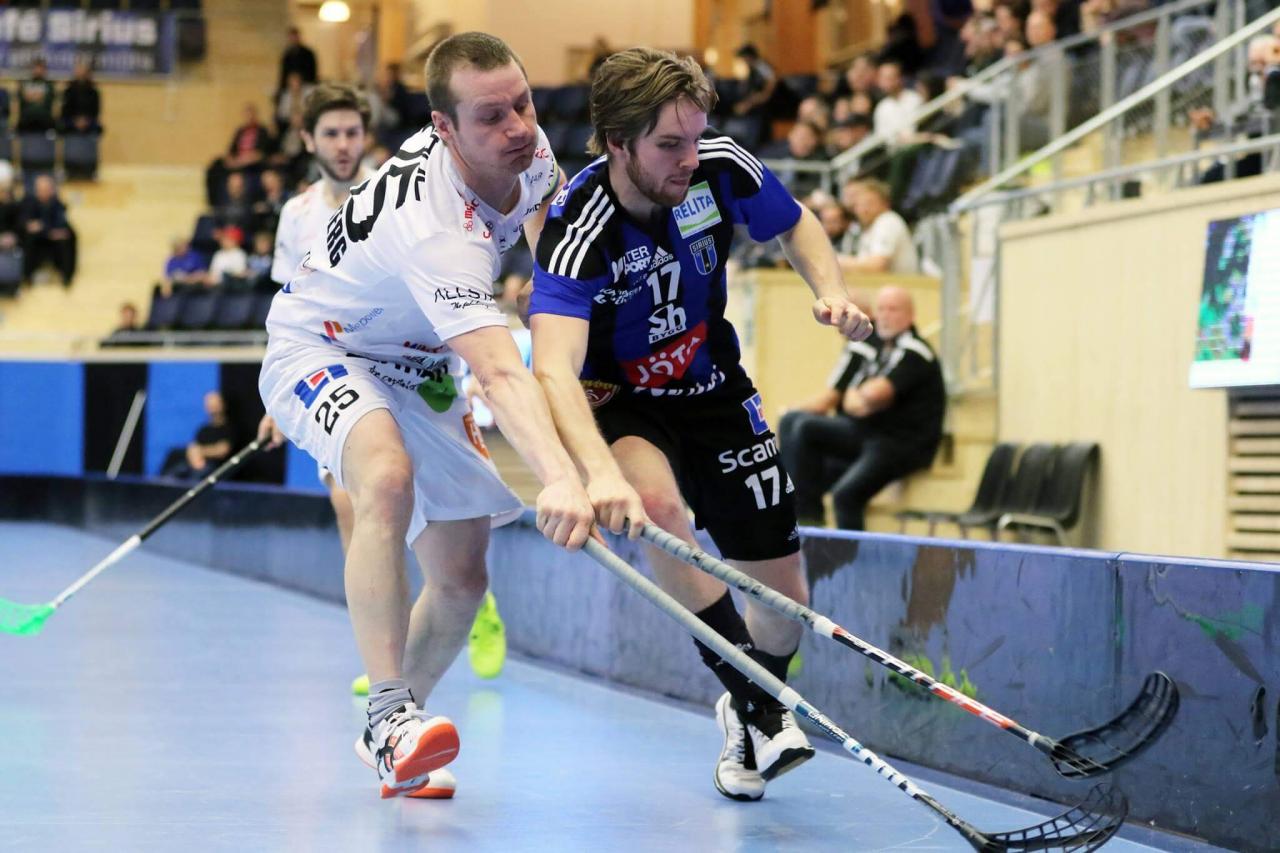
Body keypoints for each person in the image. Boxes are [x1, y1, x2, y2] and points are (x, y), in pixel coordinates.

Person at [256, 32, 604, 801]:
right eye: (492, 117)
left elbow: (551, 239)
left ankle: (397, 738)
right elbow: (500, 372)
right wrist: (562, 477)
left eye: (523, 104)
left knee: (462, 576)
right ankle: (387, 714)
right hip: (322, 345)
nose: (518, 126)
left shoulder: (530, 151)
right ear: (444, 128)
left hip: (420, 364)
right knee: (385, 477)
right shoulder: (438, 228)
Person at [527, 47, 872, 803]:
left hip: (714, 388)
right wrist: (599, 474)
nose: (689, 156)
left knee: (785, 604)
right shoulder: (579, 224)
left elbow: (797, 223)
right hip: (618, 396)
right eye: (668, 144)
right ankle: (761, 707)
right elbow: (552, 366)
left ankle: (747, 710)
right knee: (657, 508)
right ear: (617, 143)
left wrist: (832, 291)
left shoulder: (718, 167)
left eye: (694, 137)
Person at [269, 81, 516, 707]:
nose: (343, 144)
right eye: (330, 134)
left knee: (458, 550)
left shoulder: (401, 188)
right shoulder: (297, 214)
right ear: (308, 141)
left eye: (352, 132)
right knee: (362, 496)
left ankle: (466, 604)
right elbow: (290, 301)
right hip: (337, 361)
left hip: (423, 371)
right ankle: (387, 663)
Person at [779, 285, 945, 530]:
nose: (885, 316)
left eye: (893, 309)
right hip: (872, 435)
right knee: (801, 430)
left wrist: (867, 397)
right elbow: (850, 400)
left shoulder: (914, 351)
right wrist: (865, 398)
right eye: (881, 309)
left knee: (845, 495)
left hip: (902, 444)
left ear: (911, 316)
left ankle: (836, 543)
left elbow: (873, 394)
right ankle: (802, 518)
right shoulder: (885, 349)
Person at [839, 178, 918, 275]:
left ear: (885, 204)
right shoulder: (870, 226)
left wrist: (836, 260)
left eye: (869, 203)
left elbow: (877, 266)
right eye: (860, 204)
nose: (864, 209)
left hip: (900, 283)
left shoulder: (888, 221)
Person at [162, 391, 234, 479]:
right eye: (209, 404)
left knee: (198, 476)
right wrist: (195, 458)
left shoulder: (229, 428)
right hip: (197, 464)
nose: (212, 406)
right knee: (174, 468)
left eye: (215, 403)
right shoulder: (203, 429)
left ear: (222, 404)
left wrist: (200, 452)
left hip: (217, 468)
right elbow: (193, 448)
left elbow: (222, 450)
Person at [20, 174, 75, 286]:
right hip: (38, 239)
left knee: (66, 239)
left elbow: (61, 225)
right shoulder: (29, 202)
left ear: (52, 190)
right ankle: (27, 276)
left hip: (53, 240)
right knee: (29, 238)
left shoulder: (57, 204)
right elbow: (25, 223)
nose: (43, 192)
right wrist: (46, 230)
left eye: (46, 189)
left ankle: (66, 277)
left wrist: (43, 227)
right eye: (40, 190)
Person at [60, 60, 101, 134]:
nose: (80, 71)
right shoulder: (69, 91)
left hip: (89, 126)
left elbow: (95, 110)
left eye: (82, 68)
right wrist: (75, 121)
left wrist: (85, 121)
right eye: (78, 68)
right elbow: (65, 110)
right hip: (71, 127)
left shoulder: (93, 92)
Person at [16, 57, 55, 134]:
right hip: (27, 114)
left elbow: (48, 99)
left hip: (44, 114)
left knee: (47, 118)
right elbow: (22, 98)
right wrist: (38, 96)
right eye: (36, 68)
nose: (38, 70)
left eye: (40, 68)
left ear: (44, 70)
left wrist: (31, 96)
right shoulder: (25, 83)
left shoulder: (48, 84)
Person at [278, 26, 318, 92]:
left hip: (306, 84)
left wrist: (300, 80)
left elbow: (312, 71)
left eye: (294, 37)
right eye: (291, 37)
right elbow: (284, 73)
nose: (293, 40)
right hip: (291, 87)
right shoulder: (287, 55)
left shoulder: (308, 53)